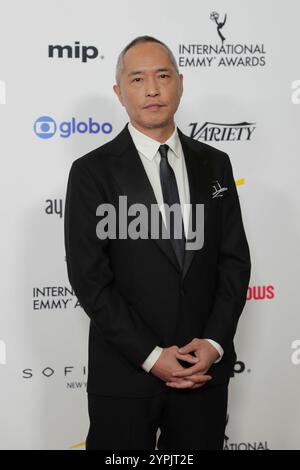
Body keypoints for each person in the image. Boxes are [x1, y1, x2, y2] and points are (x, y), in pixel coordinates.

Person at [64, 35, 251, 450]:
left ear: (180, 83)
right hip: (126, 375)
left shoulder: (215, 163)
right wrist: (151, 355)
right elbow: (90, 279)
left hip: (202, 371)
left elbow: (234, 263)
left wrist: (215, 343)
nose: (152, 89)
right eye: (137, 79)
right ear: (119, 92)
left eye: (163, 75)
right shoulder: (91, 172)